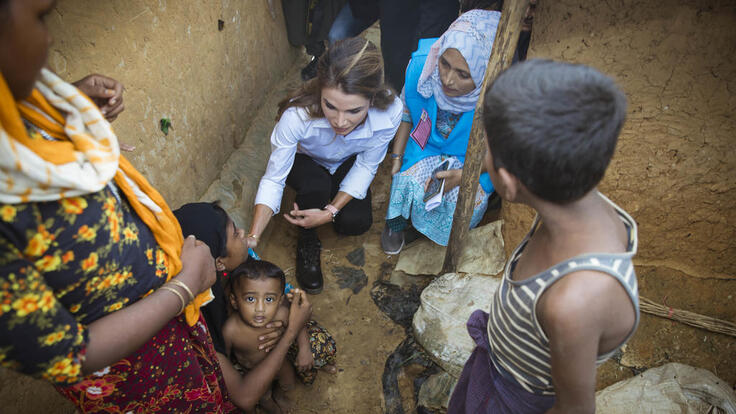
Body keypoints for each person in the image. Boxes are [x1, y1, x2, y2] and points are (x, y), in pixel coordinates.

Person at [0, 0, 243, 411]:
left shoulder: (17, 122)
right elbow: (69, 356)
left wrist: (69, 109)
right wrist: (183, 287)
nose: (50, 36)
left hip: (168, 320)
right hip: (132, 375)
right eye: (40, 18)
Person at [447, 59, 638, 414]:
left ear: (507, 182)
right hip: (502, 365)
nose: (484, 157)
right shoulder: (573, 194)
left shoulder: (573, 303)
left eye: (487, 150)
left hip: (516, 400)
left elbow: (575, 410)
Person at [247, 37, 402, 294]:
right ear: (320, 90)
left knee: (354, 223)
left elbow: (366, 165)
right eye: (330, 105)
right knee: (316, 186)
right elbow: (274, 178)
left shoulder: (390, 112)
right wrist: (253, 237)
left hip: (348, 159)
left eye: (354, 111)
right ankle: (307, 240)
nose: (340, 121)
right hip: (305, 160)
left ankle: (325, 204)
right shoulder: (297, 116)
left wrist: (330, 212)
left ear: (373, 100)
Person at [174, 202, 313, 412]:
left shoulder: (237, 265)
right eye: (235, 234)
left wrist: (286, 324)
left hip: (262, 347)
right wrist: (290, 333)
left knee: (317, 344)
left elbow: (277, 294)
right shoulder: (197, 322)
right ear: (219, 262)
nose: (242, 233)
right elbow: (243, 396)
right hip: (240, 365)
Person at [381, 10, 500, 254]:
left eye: (463, 74)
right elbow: (407, 111)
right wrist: (397, 157)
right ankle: (396, 224)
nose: (447, 79)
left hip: (473, 160)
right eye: (445, 64)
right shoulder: (422, 66)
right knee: (405, 182)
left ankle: (441, 234)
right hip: (426, 147)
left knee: (464, 199)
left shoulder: (499, 96)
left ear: (484, 73)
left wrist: (463, 175)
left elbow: (504, 155)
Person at [223, 259, 337, 413]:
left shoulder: (281, 314)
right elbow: (226, 359)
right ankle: (270, 405)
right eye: (250, 299)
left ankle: (280, 395)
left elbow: (299, 325)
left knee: (288, 382)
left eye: (269, 299)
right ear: (234, 301)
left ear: (280, 301)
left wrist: (304, 349)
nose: (260, 309)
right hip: (251, 371)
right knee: (263, 396)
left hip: (281, 363)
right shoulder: (230, 330)